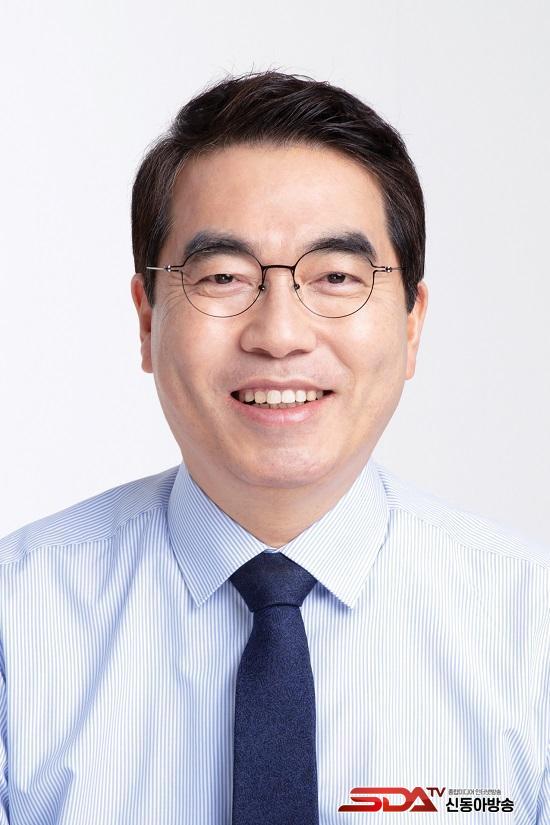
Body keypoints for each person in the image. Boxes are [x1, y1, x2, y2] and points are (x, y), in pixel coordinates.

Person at [0, 71, 547, 825]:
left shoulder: (531, 629)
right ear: (147, 320)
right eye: (224, 276)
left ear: (412, 323)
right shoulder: (16, 619)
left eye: (337, 276)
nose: (280, 334)